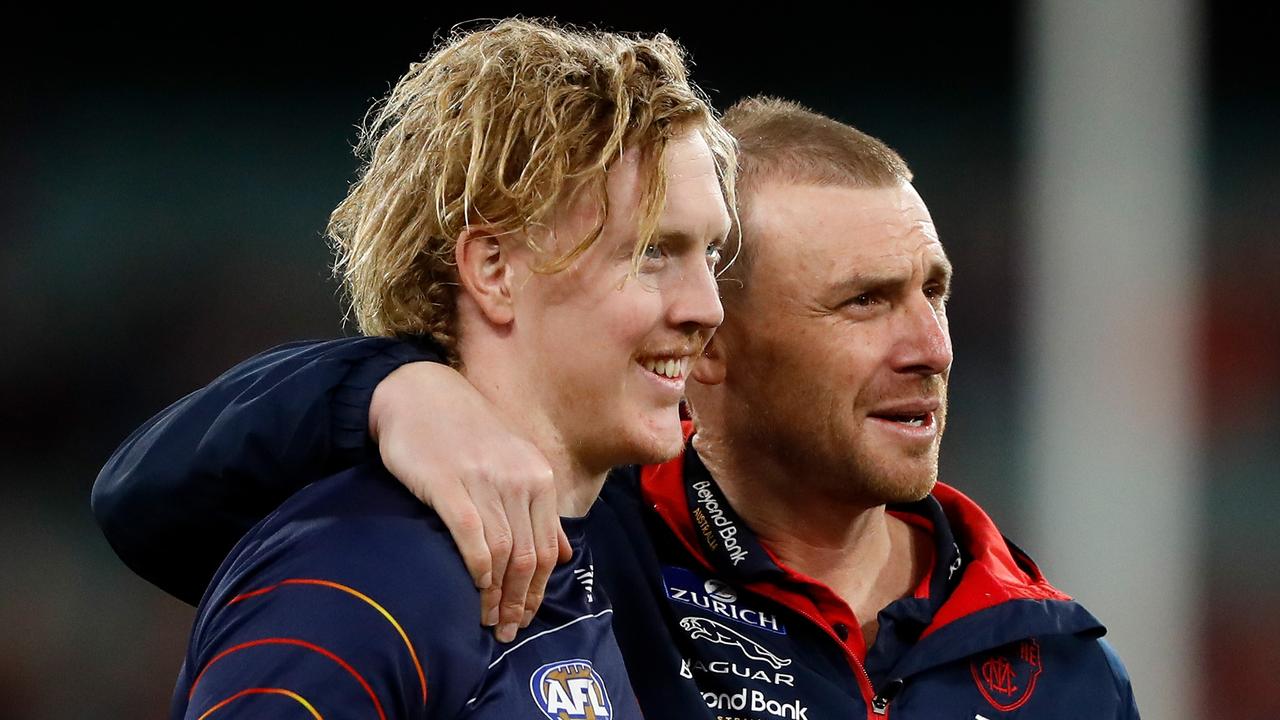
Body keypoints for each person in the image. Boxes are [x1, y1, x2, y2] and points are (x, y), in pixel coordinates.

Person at [94, 98, 1141, 718]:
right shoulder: (577, 547)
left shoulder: (1060, 665)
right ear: (708, 345)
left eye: (934, 292)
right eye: (862, 304)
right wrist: (384, 389)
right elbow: (145, 498)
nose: (930, 348)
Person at [123, 18, 738, 719]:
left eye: (712, 255)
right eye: (652, 252)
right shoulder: (357, 577)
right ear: (494, 269)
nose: (708, 306)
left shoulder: (597, 557)